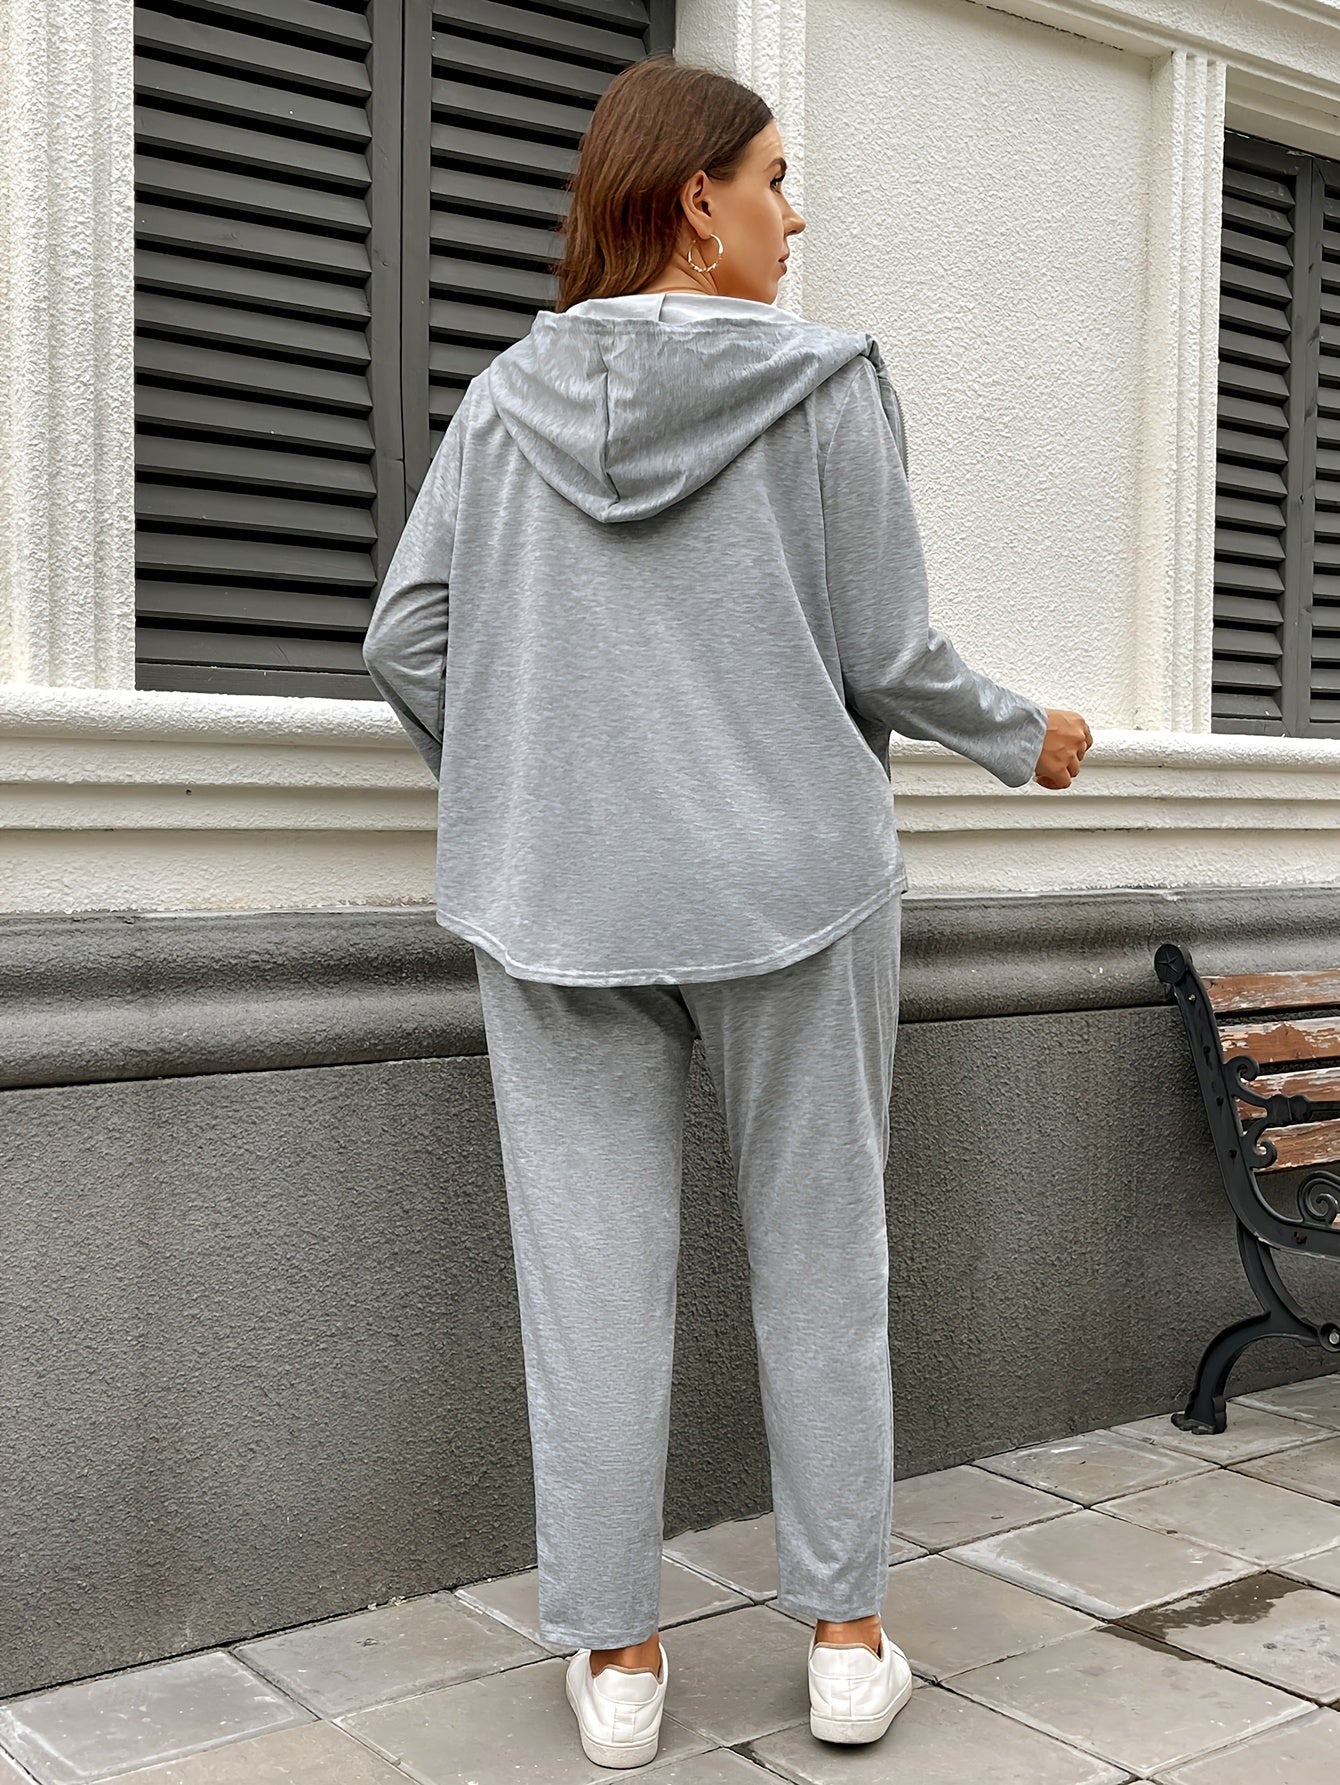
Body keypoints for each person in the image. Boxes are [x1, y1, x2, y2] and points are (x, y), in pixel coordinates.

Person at [362, 53, 1091, 1768]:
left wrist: (533, 784)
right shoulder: (825, 385)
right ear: (699, 202)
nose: (794, 214)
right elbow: (888, 652)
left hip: (559, 899)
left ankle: (620, 1665)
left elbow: (407, 639)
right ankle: (844, 1641)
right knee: (824, 1261)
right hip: (798, 887)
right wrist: (1022, 733)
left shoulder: (504, 403)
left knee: (589, 1280)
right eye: (774, 180)